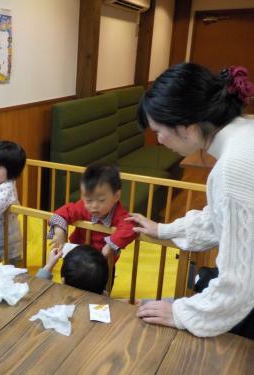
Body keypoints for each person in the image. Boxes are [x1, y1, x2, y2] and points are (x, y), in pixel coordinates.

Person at [128, 63, 254, 339]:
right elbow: (220, 217)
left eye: (158, 131)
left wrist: (182, 313)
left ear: (187, 127)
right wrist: (164, 230)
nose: (159, 141)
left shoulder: (233, 167)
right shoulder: (246, 131)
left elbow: (240, 286)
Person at [49, 164, 137, 262]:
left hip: (104, 262)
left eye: (101, 200)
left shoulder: (119, 214)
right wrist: (59, 233)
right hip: (78, 254)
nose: (94, 206)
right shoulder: (82, 207)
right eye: (88, 200)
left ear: (116, 196)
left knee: (106, 276)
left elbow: (130, 226)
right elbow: (62, 213)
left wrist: (111, 246)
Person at [37, 245, 108, 294]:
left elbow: (36, 288)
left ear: (63, 281)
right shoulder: (107, 306)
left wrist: (49, 265)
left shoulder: (56, 298)